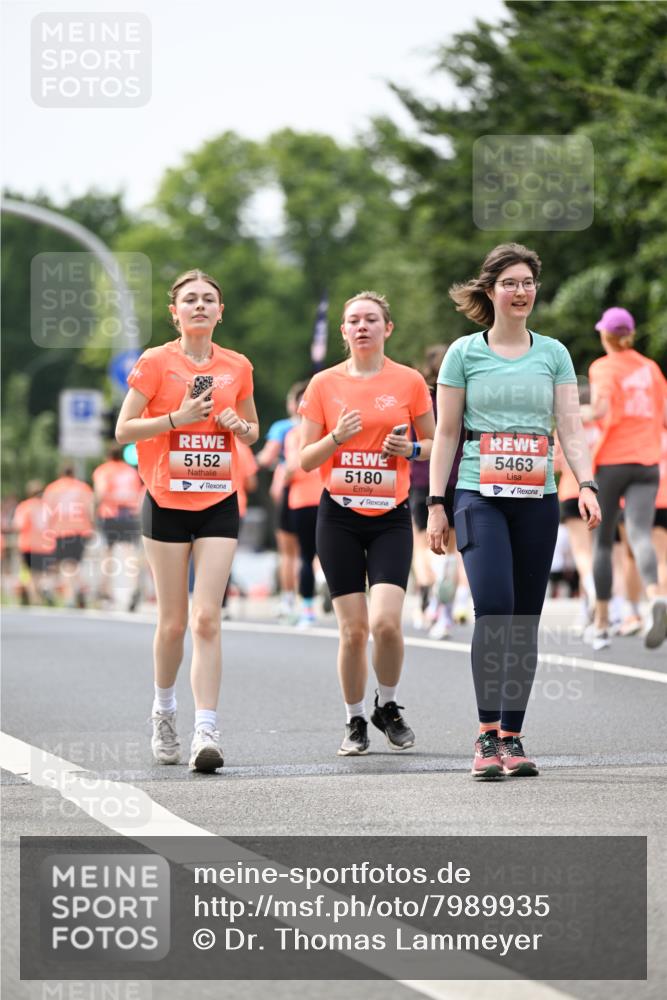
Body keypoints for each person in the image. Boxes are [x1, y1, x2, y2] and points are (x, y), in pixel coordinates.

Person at [427, 243, 601, 779]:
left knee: (525, 619)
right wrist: (437, 503)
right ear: (491, 290)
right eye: (510, 282)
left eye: (527, 282)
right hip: (478, 493)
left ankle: (512, 735)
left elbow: (570, 428)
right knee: (495, 608)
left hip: (538, 498)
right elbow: (447, 433)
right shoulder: (464, 353)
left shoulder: (553, 353)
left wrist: (586, 483)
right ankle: (484, 736)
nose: (520, 291)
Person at [115, 268, 259, 772]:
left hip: (219, 497)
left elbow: (252, 428)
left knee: (207, 617)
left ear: (222, 311)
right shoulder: (156, 362)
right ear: (174, 312)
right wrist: (176, 418)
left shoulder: (237, 366)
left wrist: (240, 427)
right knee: (173, 622)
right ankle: (164, 710)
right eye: (190, 300)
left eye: (209, 299)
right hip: (166, 501)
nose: (200, 306)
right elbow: (124, 430)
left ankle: (206, 730)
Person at [300, 291, 435, 755]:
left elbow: (438, 443)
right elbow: (303, 458)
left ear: (387, 329)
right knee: (353, 630)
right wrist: (337, 437)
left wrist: (411, 451)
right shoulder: (323, 385)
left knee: (386, 625)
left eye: (371, 319)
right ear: (343, 331)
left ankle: (388, 705)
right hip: (337, 516)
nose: (362, 327)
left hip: (390, 517)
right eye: (353, 320)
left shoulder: (410, 381)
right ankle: (355, 719)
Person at [583, 307, 667, 650]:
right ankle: (655, 595)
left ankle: (602, 623)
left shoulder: (602, 367)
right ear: (630, 335)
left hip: (612, 462)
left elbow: (600, 409)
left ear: (605, 335)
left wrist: (573, 412)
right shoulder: (651, 369)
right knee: (639, 534)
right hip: (648, 462)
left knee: (602, 542)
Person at [255, 385, 301, 621]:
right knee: (317, 547)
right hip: (322, 490)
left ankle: (288, 599)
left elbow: (266, 457)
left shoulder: (283, 428)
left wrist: (254, 461)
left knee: (288, 551)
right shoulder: (325, 425)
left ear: (292, 404)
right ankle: (320, 584)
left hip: (289, 488)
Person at [283, 382, 324, 627]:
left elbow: (290, 467)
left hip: (301, 501)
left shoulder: (293, 434)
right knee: (330, 553)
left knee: (305, 556)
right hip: (327, 497)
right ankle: (323, 579)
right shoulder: (328, 430)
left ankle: (307, 609)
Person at [92, 443, 143, 610]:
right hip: (129, 514)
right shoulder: (131, 471)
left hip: (110, 513)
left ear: (107, 456)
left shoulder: (103, 470)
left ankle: (106, 592)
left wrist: (94, 511)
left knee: (108, 552)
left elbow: (101, 491)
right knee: (130, 553)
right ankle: (134, 589)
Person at [43, 465, 95, 608]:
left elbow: (47, 512)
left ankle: (70, 595)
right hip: (80, 530)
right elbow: (90, 509)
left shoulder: (52, 488)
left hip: (60, 530)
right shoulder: (83, 488)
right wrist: (92, 526)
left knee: (66, 564)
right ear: (74, 474)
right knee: (74, 564)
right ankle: (79, 589)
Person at [12, 480, 56, 605]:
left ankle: (35, 599)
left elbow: (18, 524)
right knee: (42, 573)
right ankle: (41, 594)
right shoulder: (47, 507)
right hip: (45, 545)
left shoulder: (25, 506)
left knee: (31, 574)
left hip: (29, 544)